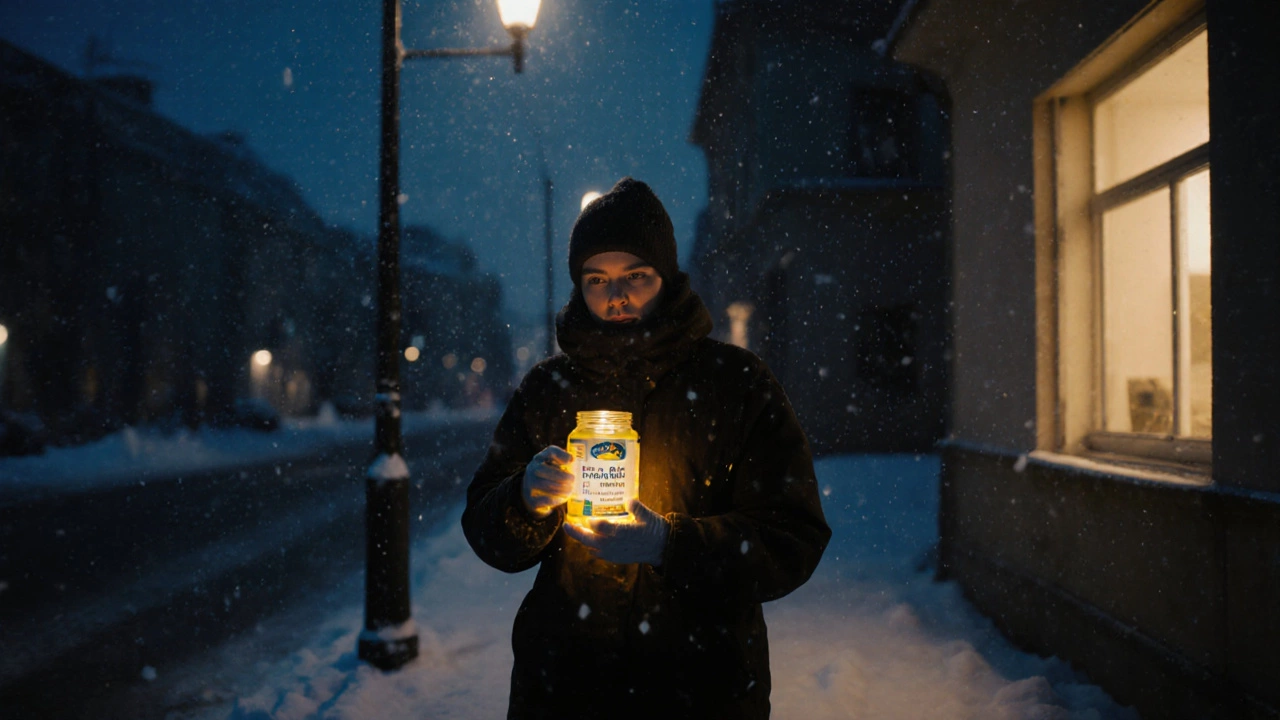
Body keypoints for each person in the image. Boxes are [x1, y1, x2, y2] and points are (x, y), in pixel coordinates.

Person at [462, 177, 831, 719]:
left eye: (635, 275)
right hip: (566, 688)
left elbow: (792, 539)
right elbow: (485, 528)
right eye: (596, 279)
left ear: (666, 276)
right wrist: (524, 499)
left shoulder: (736, 383)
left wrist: (671, 544)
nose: (615, 297)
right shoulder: (548, 389)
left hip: (701, 689)